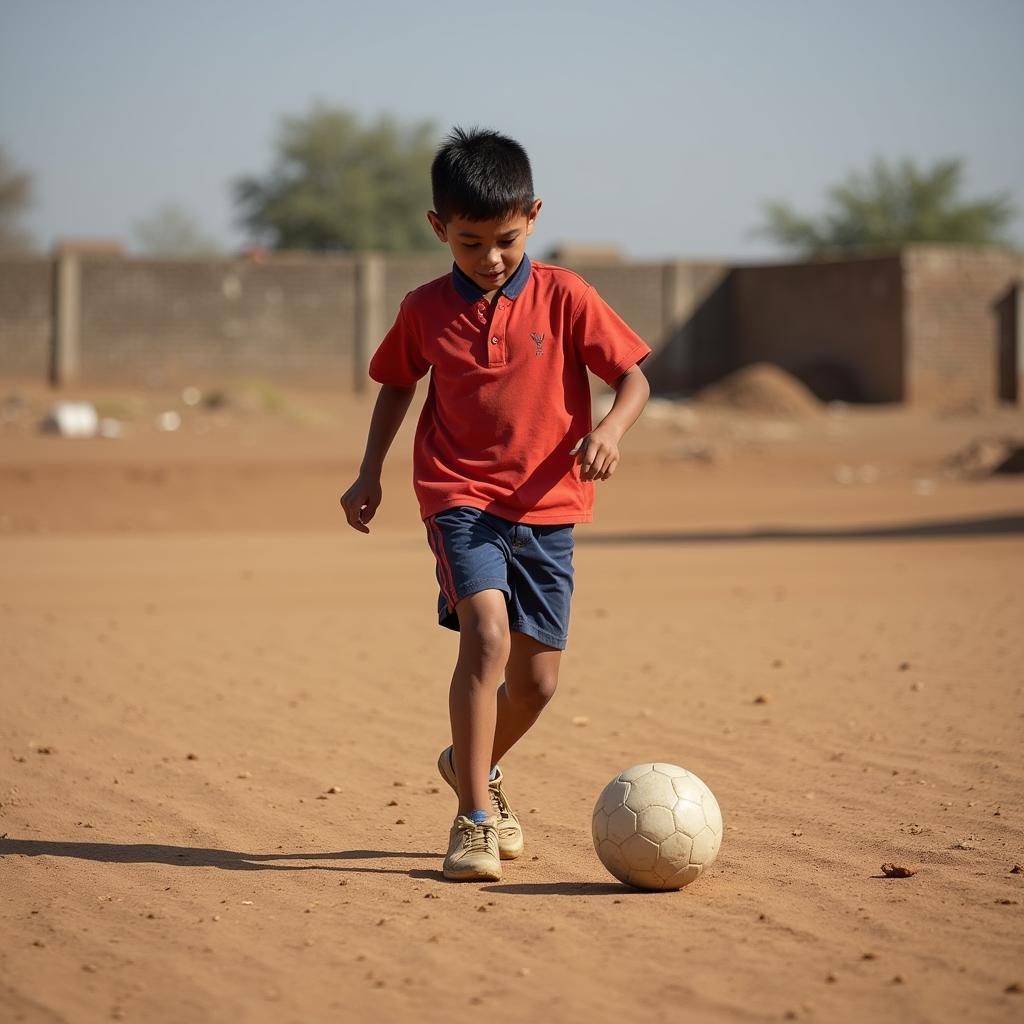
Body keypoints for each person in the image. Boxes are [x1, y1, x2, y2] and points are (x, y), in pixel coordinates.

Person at [340, 127, 650, 882]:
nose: (490, 258)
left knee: (539, 682)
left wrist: (610, 429)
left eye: (506, 240)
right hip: (460, 497)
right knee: (484, 635)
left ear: (534, 216)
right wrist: (369, 471)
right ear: (438, 228)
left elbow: (635, 378)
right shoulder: (422, 309)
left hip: (549, 506)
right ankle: (473, 819)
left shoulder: (567, 295)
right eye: (470, 242)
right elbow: (397, 385)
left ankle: (468, 763)